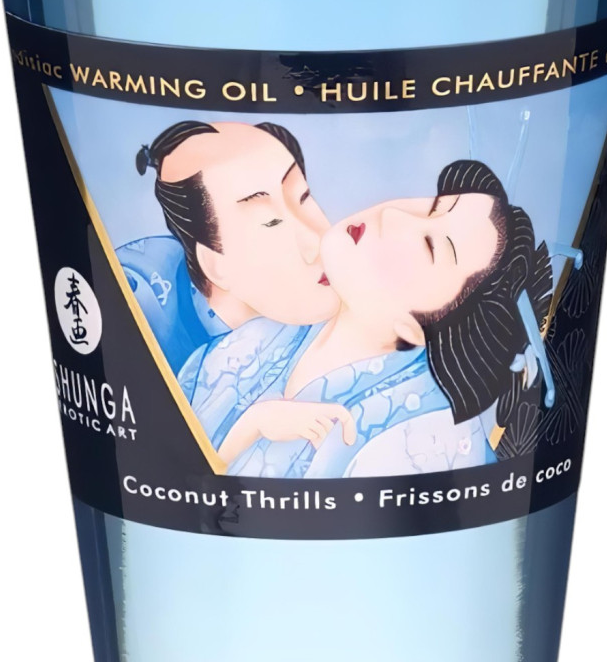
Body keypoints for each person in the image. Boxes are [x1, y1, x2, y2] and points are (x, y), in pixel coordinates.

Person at [186, 160, 552, 478]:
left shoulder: (420, 440)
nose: (392, 215)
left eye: (430, 245)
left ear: (423, 328)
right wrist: (253, 425)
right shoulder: (274, 329)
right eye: (432, 206)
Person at [122, 120, 339, 375]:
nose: (317, 243)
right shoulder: (140, 301)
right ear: (214, 264)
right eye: (271, 222)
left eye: (303, 197)